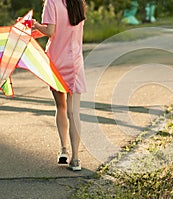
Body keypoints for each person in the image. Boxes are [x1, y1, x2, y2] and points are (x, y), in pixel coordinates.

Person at [33, 0, 87, 171]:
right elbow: (64, 29)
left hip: (57, 63)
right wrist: (37, 30)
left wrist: (34, 24)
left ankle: (63, 150)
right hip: (75, 63)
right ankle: (76, 159)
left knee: (61, 107)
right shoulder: (79, 3)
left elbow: (51, 31)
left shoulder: (51, 2)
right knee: (74, 112)